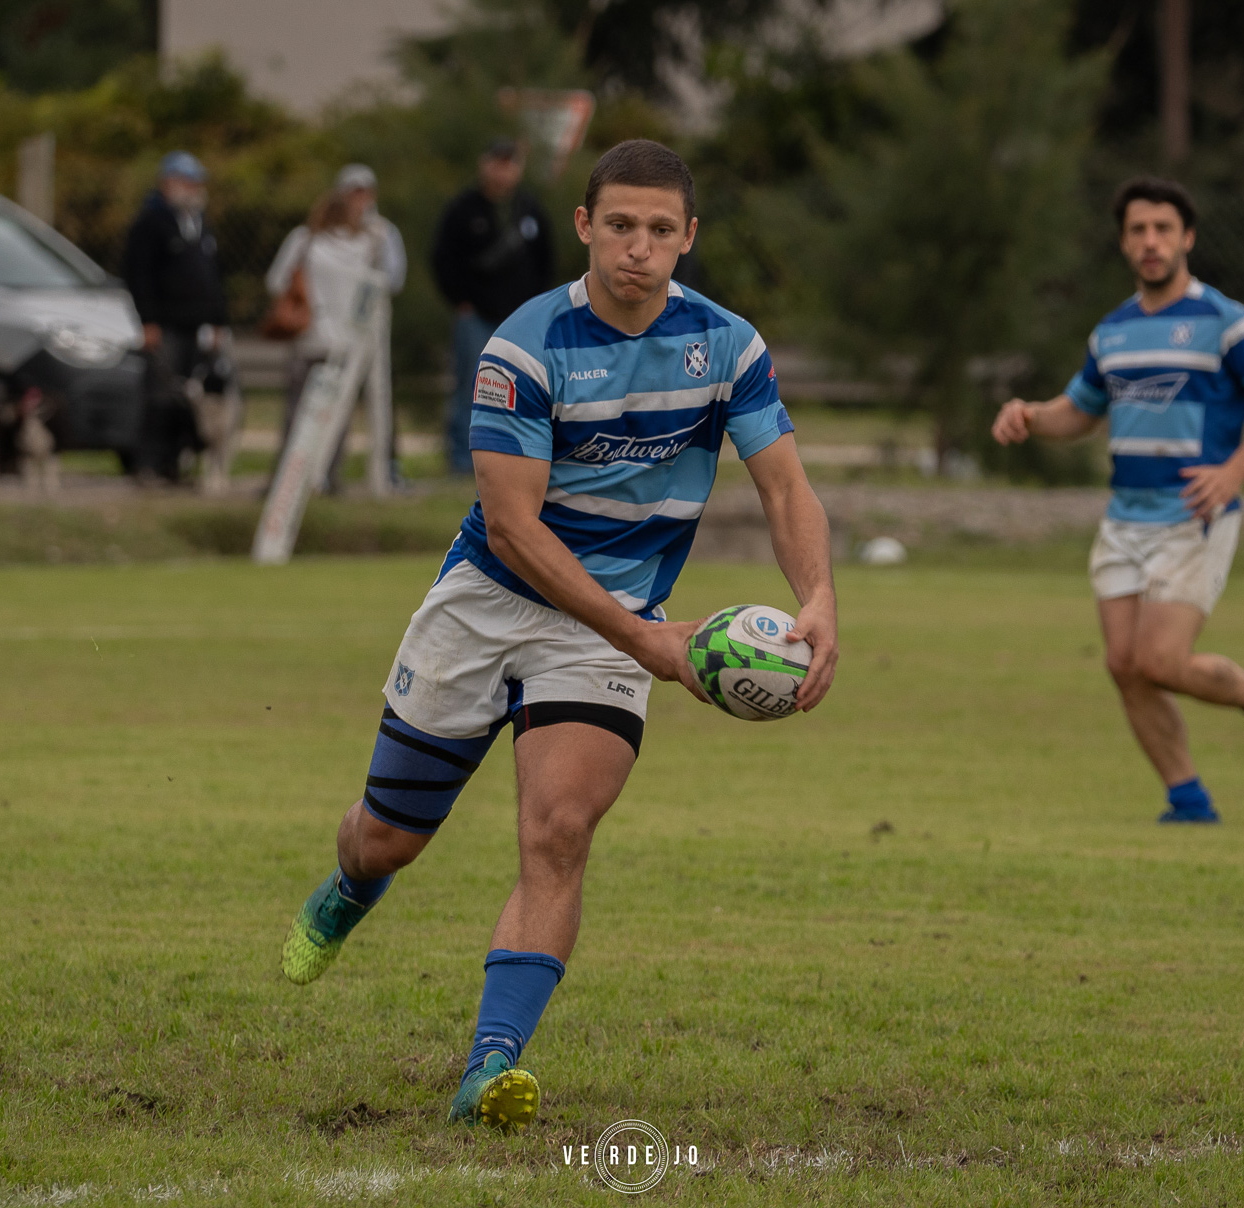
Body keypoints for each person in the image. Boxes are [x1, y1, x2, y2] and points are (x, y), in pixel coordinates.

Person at [280, 139, 839, 1130]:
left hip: (603, 634)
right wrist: (649, 637)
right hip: (489, 606)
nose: (639, 247)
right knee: (391, 836)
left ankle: (488, 1064)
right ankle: (350, 882)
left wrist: (820, 594)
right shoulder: (524, 346)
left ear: (688, 238)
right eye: (620, 224)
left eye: (661, 230)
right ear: (584, 226)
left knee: (559, 827)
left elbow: (784, 482)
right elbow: (514, 529)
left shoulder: (729, 346)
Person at [991, 177, 1244, 825]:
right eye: (1138, 230)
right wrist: (1029, 415)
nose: (1151, 241)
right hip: (1124, 518)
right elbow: (1079, 413)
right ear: (1123, 243)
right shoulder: (1112, 331)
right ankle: (1188, 800)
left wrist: (1235, 470)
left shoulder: (1223, 321)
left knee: (1161, 660)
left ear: (1187, 237)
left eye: (1163, 228)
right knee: (1124, 665)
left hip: (1193, 515)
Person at [266, 165, 403, 489]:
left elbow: (275, 281)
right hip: (337, 342)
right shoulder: (360, 243)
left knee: (304, 413)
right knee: (327, 415)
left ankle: (297, 478)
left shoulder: (318, 241)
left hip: (321, 339)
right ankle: (319, 477)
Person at [431, 138, 554, 475]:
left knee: (521, 389)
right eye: (496, 162)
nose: (502, 171)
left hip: (519, 319)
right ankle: (461, 460)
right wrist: (461, 301)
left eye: (509, 163)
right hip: (476, 317)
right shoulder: (464, 209)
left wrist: (537, 307)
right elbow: (443, 260)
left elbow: (545, 259)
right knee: (470, 387)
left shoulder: (528, 209)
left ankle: (516, 458)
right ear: (484, 164)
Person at [122, 150, 230, 482]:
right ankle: (149, 463)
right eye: (188, 181)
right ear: (168, 182)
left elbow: (213, 278)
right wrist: (148, 321)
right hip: (165, 324)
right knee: (160, 395)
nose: (195, 188)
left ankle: (175, 464)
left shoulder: (199, 225)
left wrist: (217, 321)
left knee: (188, 400)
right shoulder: (150, 223)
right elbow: (138, 275)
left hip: (195, 326)